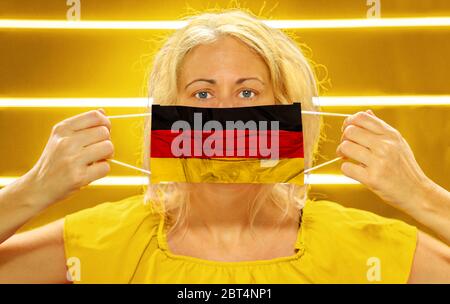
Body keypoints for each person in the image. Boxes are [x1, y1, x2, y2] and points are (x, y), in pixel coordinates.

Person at [0, 10, 449, 283]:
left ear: (290, 108)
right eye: (201, 93)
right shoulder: (103, 240)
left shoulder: (360, 245)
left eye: (249, 92)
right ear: (167, 112)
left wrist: (420, 195)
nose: (224, 114)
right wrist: (33, 190)